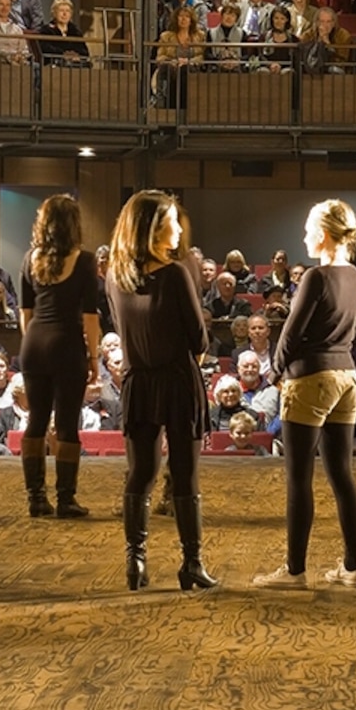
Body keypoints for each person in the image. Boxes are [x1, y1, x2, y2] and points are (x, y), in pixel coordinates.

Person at [103, 189, 216, 593]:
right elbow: (199, 340)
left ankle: (135, 563)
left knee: (140, 474)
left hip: (138, 383)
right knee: (185, 475)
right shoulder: (174, 274)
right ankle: (192, 564)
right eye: (170, 221)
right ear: (152, 229)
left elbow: (120, 325)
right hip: (177, 382)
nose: (177, 228)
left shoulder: (115, 277)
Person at [255, 199, 356, 589]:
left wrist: (275, 374)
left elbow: (291, 332)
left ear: (322, 234)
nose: (304, 236)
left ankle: (294, 571)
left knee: (299, 478)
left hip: (311, 378)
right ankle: (352, 567)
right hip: (348, 378)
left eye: (307, 229)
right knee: (342, 475)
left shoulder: (316, 278)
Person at [16, 193, 103, 523]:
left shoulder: (29, 259)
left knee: (36, 420)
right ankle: (66, 500)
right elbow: (91, 317)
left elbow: (24, 314)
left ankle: (36, 498)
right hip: (67, 345)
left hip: (34, 344)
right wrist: (93, 356)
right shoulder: (85, 261)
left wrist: (35, 345)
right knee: (67, 424)